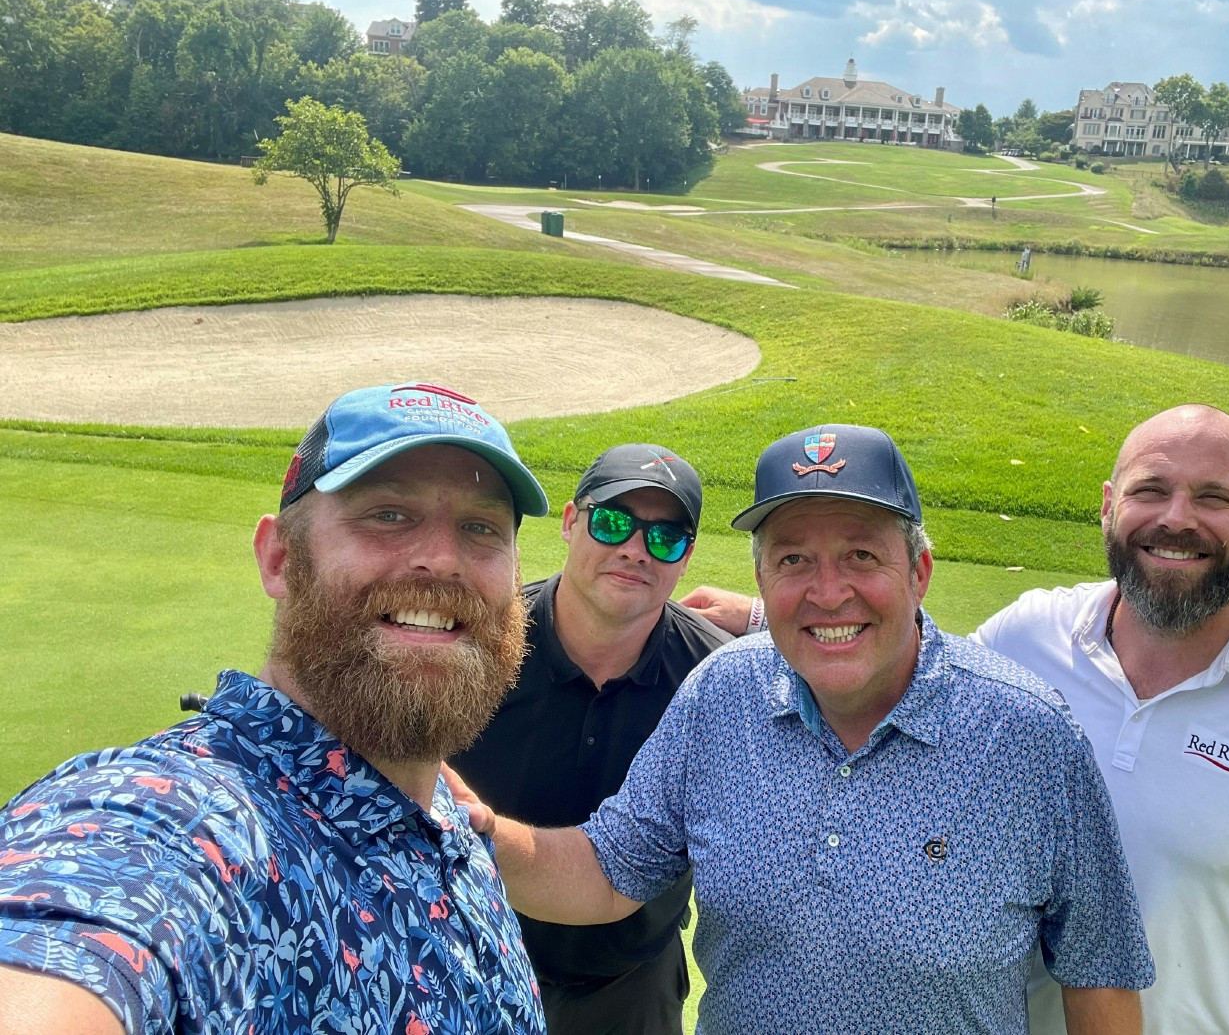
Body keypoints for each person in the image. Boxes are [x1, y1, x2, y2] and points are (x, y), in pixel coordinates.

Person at [684, 404, 1229, 1033]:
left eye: (1214, 497)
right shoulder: (1029, 636)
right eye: (1151, 490)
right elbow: (909, 659)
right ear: (1110, 505)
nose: (1177, 519)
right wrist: (766, 618)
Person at [469, 424, 1154, 1035]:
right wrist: (473, 828)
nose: (827, 592)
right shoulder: (721, 694)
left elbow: (1099, 968)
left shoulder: (1029, 736)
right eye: (794, 559)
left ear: (919, 571)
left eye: (860, 555)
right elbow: (610, 870)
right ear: (763, 578)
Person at [0, 382, 550, 1035]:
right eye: (388, 514)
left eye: (480, 527)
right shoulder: (177, 822)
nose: (442, 558)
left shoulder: (447, 824)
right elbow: (86, 915)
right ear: (280, 558)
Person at [451, 444, 730, 1035]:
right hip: (466, 962)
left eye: (665, 537)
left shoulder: (717, 682)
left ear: (686, 558)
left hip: (629, 984)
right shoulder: (472, 644)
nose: (634, 550)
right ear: (571, 522)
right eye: (612, 522)